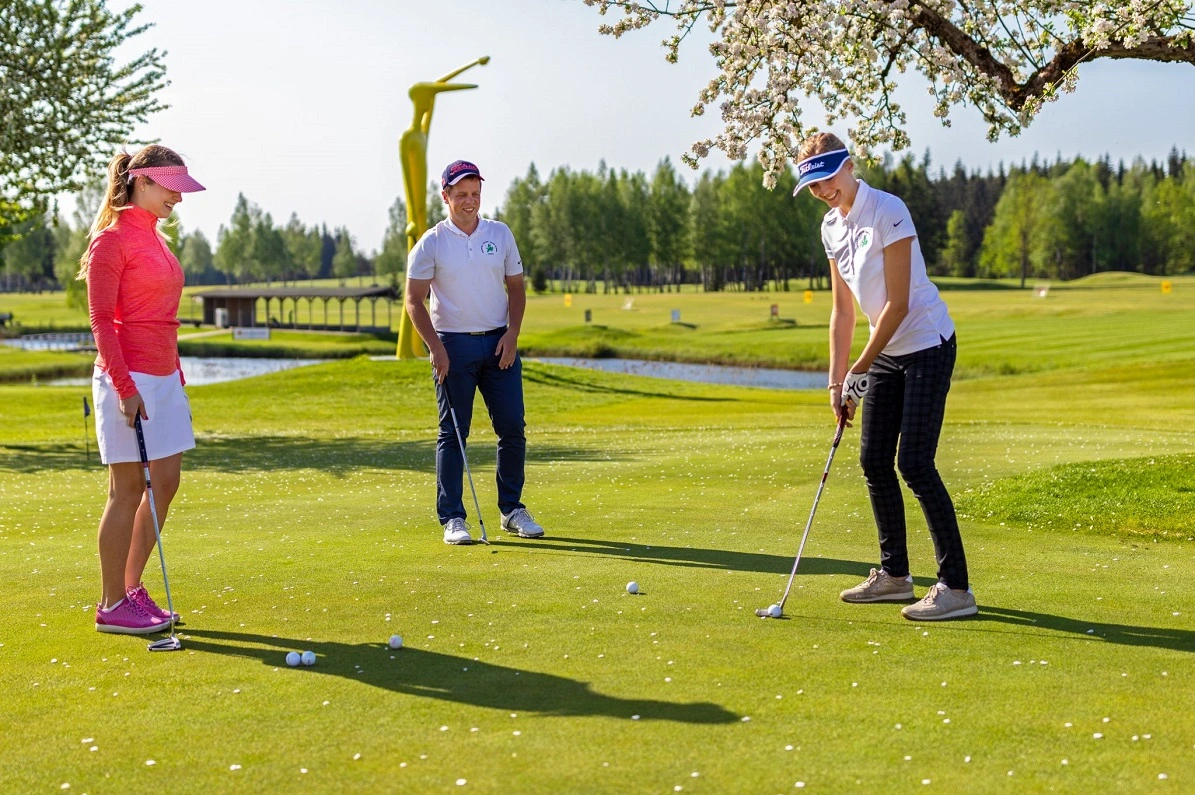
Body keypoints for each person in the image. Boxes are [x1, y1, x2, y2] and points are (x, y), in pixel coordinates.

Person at [795, 132, 976, 621]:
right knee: (874, 459)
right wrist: (836, 381)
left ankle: (956, 587)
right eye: (812, 185)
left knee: (914, 462)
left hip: (926, 343)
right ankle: (895, 576)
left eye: (827, 178)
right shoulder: (830, 227)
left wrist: (861, 365)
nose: (822, 190)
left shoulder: (889, 210)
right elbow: (842, 314)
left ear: (849, 166)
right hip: (888, 352)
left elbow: (898, 303)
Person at [79, 145, 206, 634]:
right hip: (124, 378)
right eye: (171, 187)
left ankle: (131, 590)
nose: (179, 197)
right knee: (127, 489)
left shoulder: (157, 239)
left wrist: (173, 370)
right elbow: (102, 321)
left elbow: (162, 318)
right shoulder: (111, 242)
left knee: (166, 484)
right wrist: (125, 385)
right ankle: (112, 604)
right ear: (144, 182)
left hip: (163, 377)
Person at [404, 159, 546, 545]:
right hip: (452, 344)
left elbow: (516, 289)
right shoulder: (431, 242)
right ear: (446, 196)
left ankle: (512, 510)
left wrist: (513, 334)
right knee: (453, 433)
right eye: (462, 194)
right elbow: (413, 301)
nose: (470, 201)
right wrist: (435, 347)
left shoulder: (499, 234)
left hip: (500, 341)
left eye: (475, 194)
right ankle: (453, 518)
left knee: (513, 428)